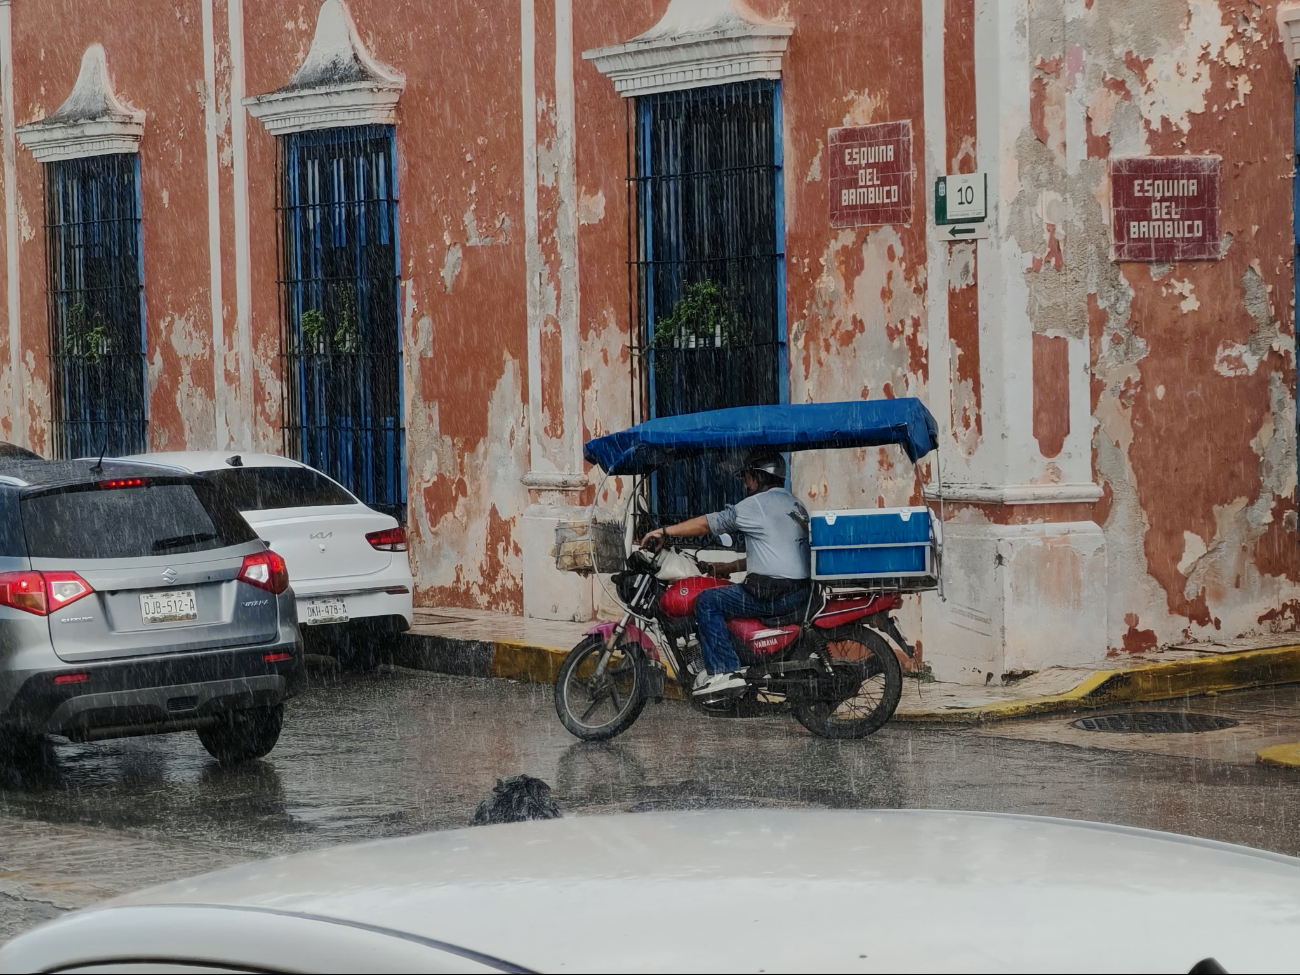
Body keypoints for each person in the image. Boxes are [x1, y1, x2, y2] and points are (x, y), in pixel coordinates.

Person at [639, 453, 811, 698]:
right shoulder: (794, 504)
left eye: (747, 478)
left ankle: (725, 672)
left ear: (759, 477)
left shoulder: (758, 504)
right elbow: (774, 555)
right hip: (796, 591)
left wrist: (665, 531)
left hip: (773, 593)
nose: (745, 484)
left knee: (708, 601)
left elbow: (709, 524)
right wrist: (727, 568)